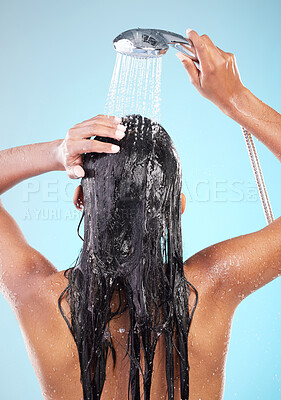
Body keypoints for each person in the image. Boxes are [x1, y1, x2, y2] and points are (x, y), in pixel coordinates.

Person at [0, 28, 280, 400]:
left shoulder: (42, 300)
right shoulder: (211, 287)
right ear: (177, 208)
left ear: (80, 197)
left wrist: (57, 152)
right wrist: (236, 99)